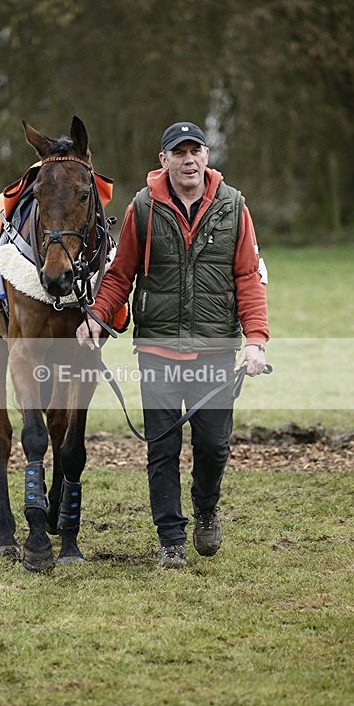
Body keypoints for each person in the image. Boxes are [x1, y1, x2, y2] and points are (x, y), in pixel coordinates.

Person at [76, 121, 269, 569]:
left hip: (217, 349)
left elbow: (249, 277)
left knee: (213, 445)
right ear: (164, 160)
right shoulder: (142, 208)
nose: (188, 160)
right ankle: (170, 539)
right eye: (178, 152)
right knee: (161, 450)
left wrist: (255, 340)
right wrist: (97, 317)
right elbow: (120, 274)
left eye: (195, 151)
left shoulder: (233, 206)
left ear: (206, 156)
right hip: (158, 350)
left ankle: (205, 510)